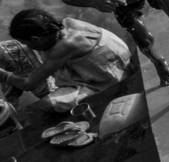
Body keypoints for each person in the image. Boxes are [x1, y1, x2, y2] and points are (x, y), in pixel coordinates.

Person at [4, 8, 133, 102]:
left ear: (35, 39)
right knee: (8, 49)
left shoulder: (65, 46)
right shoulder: (63, 24)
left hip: (109, 79)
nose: (26, 46)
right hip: (103, 62)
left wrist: (3, 75)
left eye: (25, 42)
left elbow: (28, 84)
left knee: (46, 104)